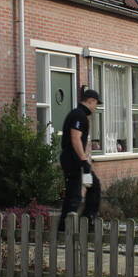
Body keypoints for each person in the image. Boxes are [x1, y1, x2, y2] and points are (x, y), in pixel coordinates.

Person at [58, 87, 102, 229]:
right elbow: (75, 138)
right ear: (91, 101)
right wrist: (83, 160)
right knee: (74, 194)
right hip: (73, 160)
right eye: (96, 103)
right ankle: (66, 227)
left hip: (75, 159)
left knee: (93, 185)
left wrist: (85, 161)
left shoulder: (78, 114)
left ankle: (87, 218)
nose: (96, 107)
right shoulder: (79, 115)